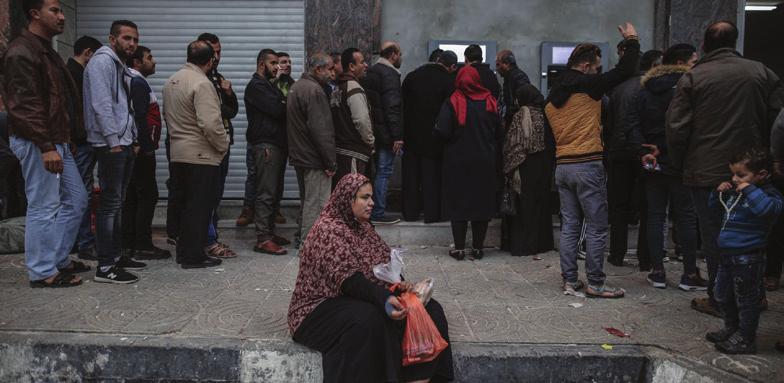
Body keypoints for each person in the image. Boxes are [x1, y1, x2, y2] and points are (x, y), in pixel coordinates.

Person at [666, 20, 783, 317]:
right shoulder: (762, 73)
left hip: (704, 171)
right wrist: (769, 160)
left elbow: (676, 128)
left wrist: (681, 164)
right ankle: (752, 296)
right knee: (753, 236)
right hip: (753, 170)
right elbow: (776, 121)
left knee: (717, 238)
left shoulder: (694, 77)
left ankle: (722, 299)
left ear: (704, 45)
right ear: (735, 41)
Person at [288, 173, 453, 382]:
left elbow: (383, 264)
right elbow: (349, 280)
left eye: (371, 197)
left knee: (430, 309)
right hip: (317, 307)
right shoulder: (328, 230)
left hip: (354, 296)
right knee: (370, 318)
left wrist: (402, 286)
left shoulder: (362, 227)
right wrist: (385, 298)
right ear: (348, 200)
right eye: (364, 197)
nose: (372, 203)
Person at [545, 22, 640, 298]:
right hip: (588, 164)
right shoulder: (589, 88)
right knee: (597, 227)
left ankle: (570, 279)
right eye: (597, 68)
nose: (599, 72)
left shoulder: (551, 99)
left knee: (570, 225)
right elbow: (625, 70)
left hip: (563, 167)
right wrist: (632, 40)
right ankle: (596, 283)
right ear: (586, 67)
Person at [0, 0, 89, 287]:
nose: (61, 16)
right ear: (34, 14)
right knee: (43, 205)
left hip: (57, 140)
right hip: (38, 141)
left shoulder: (45, 50)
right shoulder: (22, 51)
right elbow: (24, 106)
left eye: (62, 10)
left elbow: (59, 101)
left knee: (76, 200)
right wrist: (46, 145)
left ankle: (59, 258)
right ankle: (41, 271)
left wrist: (65, 138)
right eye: (55, 10)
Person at [628, 44, 706, 291]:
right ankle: (689, 273)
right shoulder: (689, 87)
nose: (697, 64)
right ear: (682, 62)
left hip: (652, 163)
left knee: (655, 216)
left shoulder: (644, 89)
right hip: (681, 161)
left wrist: (643, 151)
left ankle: (658, 271)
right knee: (686, 217)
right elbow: (690, 126)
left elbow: (631, 124)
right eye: (694, 61)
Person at [84, 19, 146, 284]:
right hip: (110, 145)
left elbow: (123, 106)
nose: (131, 44)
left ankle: (116, 257)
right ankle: (106, 267)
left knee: (117, 204)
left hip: (122, 141)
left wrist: (130, 138)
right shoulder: (102, 62)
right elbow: (101, 104)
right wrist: (114, 141)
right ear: (112, 39)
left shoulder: (119, 65)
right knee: (110, 206)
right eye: (126, 38)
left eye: (134, 39)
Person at [705, 148, 782, 354]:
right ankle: (731, 328)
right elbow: (715, 211)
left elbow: (766, 210)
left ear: (762, 175)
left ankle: (746, 338)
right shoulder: (735, 192)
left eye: (741, 175)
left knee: (746, 300)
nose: (735, 179)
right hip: (727, 255)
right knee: (722, 294)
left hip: (748, 257)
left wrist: (748, 189)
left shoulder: (769, 195)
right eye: (733, 174)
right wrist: (717, 193)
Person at [163, 40, 229, 269]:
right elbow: (210, 123)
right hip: (201, 155)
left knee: (183, 206)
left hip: (178, 152)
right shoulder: (202, 83)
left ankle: (183, 252)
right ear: (211, 61)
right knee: (199, 209)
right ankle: (193, 256)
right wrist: (223, 144)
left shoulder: (171, 80)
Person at [434, 65, 501, 261]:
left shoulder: (453, 101)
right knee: (481, 203)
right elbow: (498, 132)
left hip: (458, 161)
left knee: (459, 203)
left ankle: (460, 248)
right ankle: (479, 248)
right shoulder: (490, 101)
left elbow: (442, 131)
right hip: (485, 161)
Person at [604, 49, 661, 268]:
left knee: (618, 205)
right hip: (645, 150)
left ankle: (616, 254)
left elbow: (609, 121)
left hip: (618, 151)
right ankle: (645, 257)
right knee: (648, 205)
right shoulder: (653, 88)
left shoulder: (618, 87)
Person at [121, 45, 169, 261]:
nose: (155, 61)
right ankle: (142, 244)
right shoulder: (138, 81)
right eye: (150, 57)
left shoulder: (132, 80)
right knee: (147, 196)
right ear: (137, 62)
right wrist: (144, 145)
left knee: (133, 197)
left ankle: (130, 243)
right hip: (141, 150)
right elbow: (140, 116)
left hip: (136, 147)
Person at [401, 51, 457, 223]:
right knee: (432, 178)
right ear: (452, 66)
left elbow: (402, 107)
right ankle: (432, 214)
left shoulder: (412, 77)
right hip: (434, 140)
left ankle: (410, 214)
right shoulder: (448, 81)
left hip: (411, 137)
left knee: (411, 178)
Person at [287, 53, 337, 248]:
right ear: (318, 69)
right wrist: (330, 162)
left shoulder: (297, 86)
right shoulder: (314, 90)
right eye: (330, 68)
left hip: (301, 155)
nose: (333, 72)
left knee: (307, 201)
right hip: (313, 158)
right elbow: (321, 130)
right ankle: (310, 248)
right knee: (316, 205)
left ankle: (303, 240)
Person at [244, 48, 290, 255]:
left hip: (276, 144)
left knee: (275, 191)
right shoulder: (256, 86)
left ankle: (269, 232)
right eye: (273, 63)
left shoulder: (269, 86)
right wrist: (282, 102)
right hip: (266, 146)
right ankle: (263, 238)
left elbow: (283, 103)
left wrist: (281, 100)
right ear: (262, 64)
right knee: (266, 192)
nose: (277, 67)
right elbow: (279, 109)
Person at [197, 33, 239, 260]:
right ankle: (207, 240)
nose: (217, 56)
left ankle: (210, 236)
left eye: (220, 51)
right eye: (213, 52)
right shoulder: (198, 79)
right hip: (207, 147)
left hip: (222, 145)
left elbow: (231, 112)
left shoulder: (217, 78)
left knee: (215, 196)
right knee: (206, 197)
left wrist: (228, 93)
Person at [502, 83, 555, 257]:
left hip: (526, 166)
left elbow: (513, 143)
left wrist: (509, 167)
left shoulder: (521, 114)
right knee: (541, 203)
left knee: (525, 206)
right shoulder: (546, 113)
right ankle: (542, 243)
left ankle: (524, 245)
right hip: (545, 164)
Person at [66, 35, 102, 260]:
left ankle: (78, 242)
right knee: (81, 194)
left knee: (78, 194)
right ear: (88, 53)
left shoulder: (71, 73)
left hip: (78, 141)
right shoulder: (76, 75)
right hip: (79, 143)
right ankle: (84, 243)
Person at [363, 41, 404, 225]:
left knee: (375, 171)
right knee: (384, 171)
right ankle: (378, 211)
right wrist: (397, 135)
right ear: (393, 54)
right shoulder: (390, 74)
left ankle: (370, 209)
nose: (400, 58)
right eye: (399, 54)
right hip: (387, 133)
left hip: (375, 131)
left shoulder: (372, 71)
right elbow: (392, 107)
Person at [331, 48, 374, 185]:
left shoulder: (338, 88)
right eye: (362, 62)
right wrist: (371, 142)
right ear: (351, 67)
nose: (366, 65)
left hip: (341, 152)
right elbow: (361, 120)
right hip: (353, 153)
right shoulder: (353, 87)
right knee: (353, 196)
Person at [495, 49, 531, 128]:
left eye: (498, 64)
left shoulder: (517, 77)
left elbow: (523, 101)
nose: (496, 69)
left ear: (506, 64)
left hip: (516, 122)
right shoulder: (511, 77)